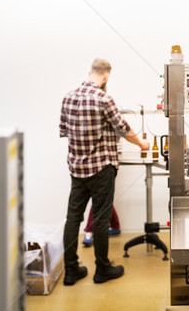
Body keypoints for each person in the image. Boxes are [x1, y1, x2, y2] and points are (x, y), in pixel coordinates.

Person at [60, 58, 149, 286]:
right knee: (100, 219)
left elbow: (64, 131)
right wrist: (141, 144)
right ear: (106, 76)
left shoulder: (68, 97)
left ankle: (71, 271)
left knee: (73, 219)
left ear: (90, 72)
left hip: (77, 168)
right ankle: (102, 270)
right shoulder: (104, 99)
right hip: (101, 169)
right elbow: (123, 129)